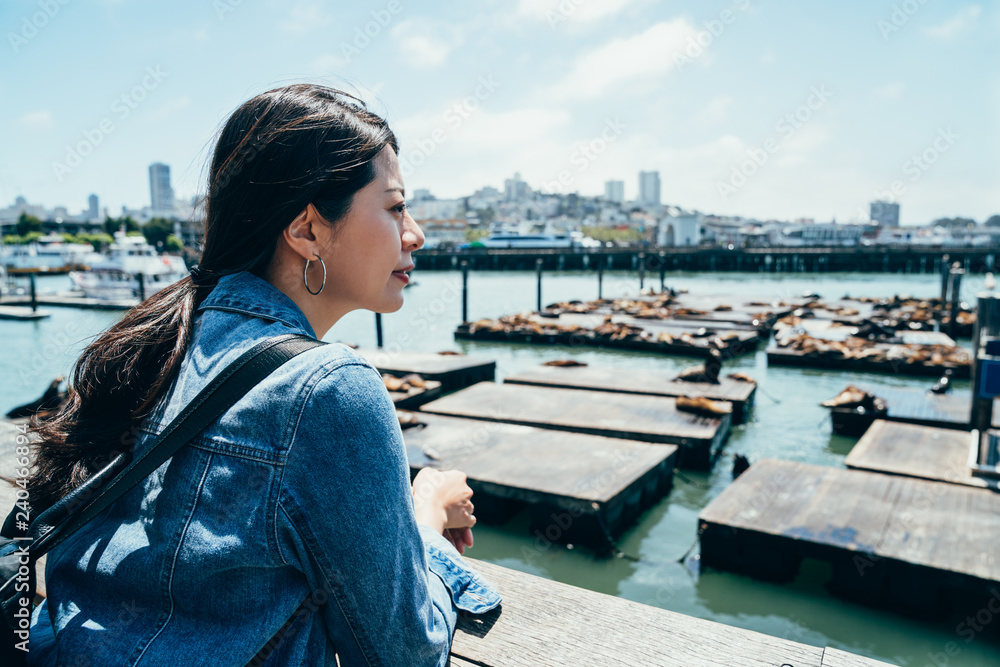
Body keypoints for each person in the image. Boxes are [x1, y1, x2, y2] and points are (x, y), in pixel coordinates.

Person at [23, 84, 500, 666]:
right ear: (306, 231)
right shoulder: (329, 390)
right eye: (396, 207)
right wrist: (424, 516)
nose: (416, 233)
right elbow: (407, 653)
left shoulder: (152, 341)